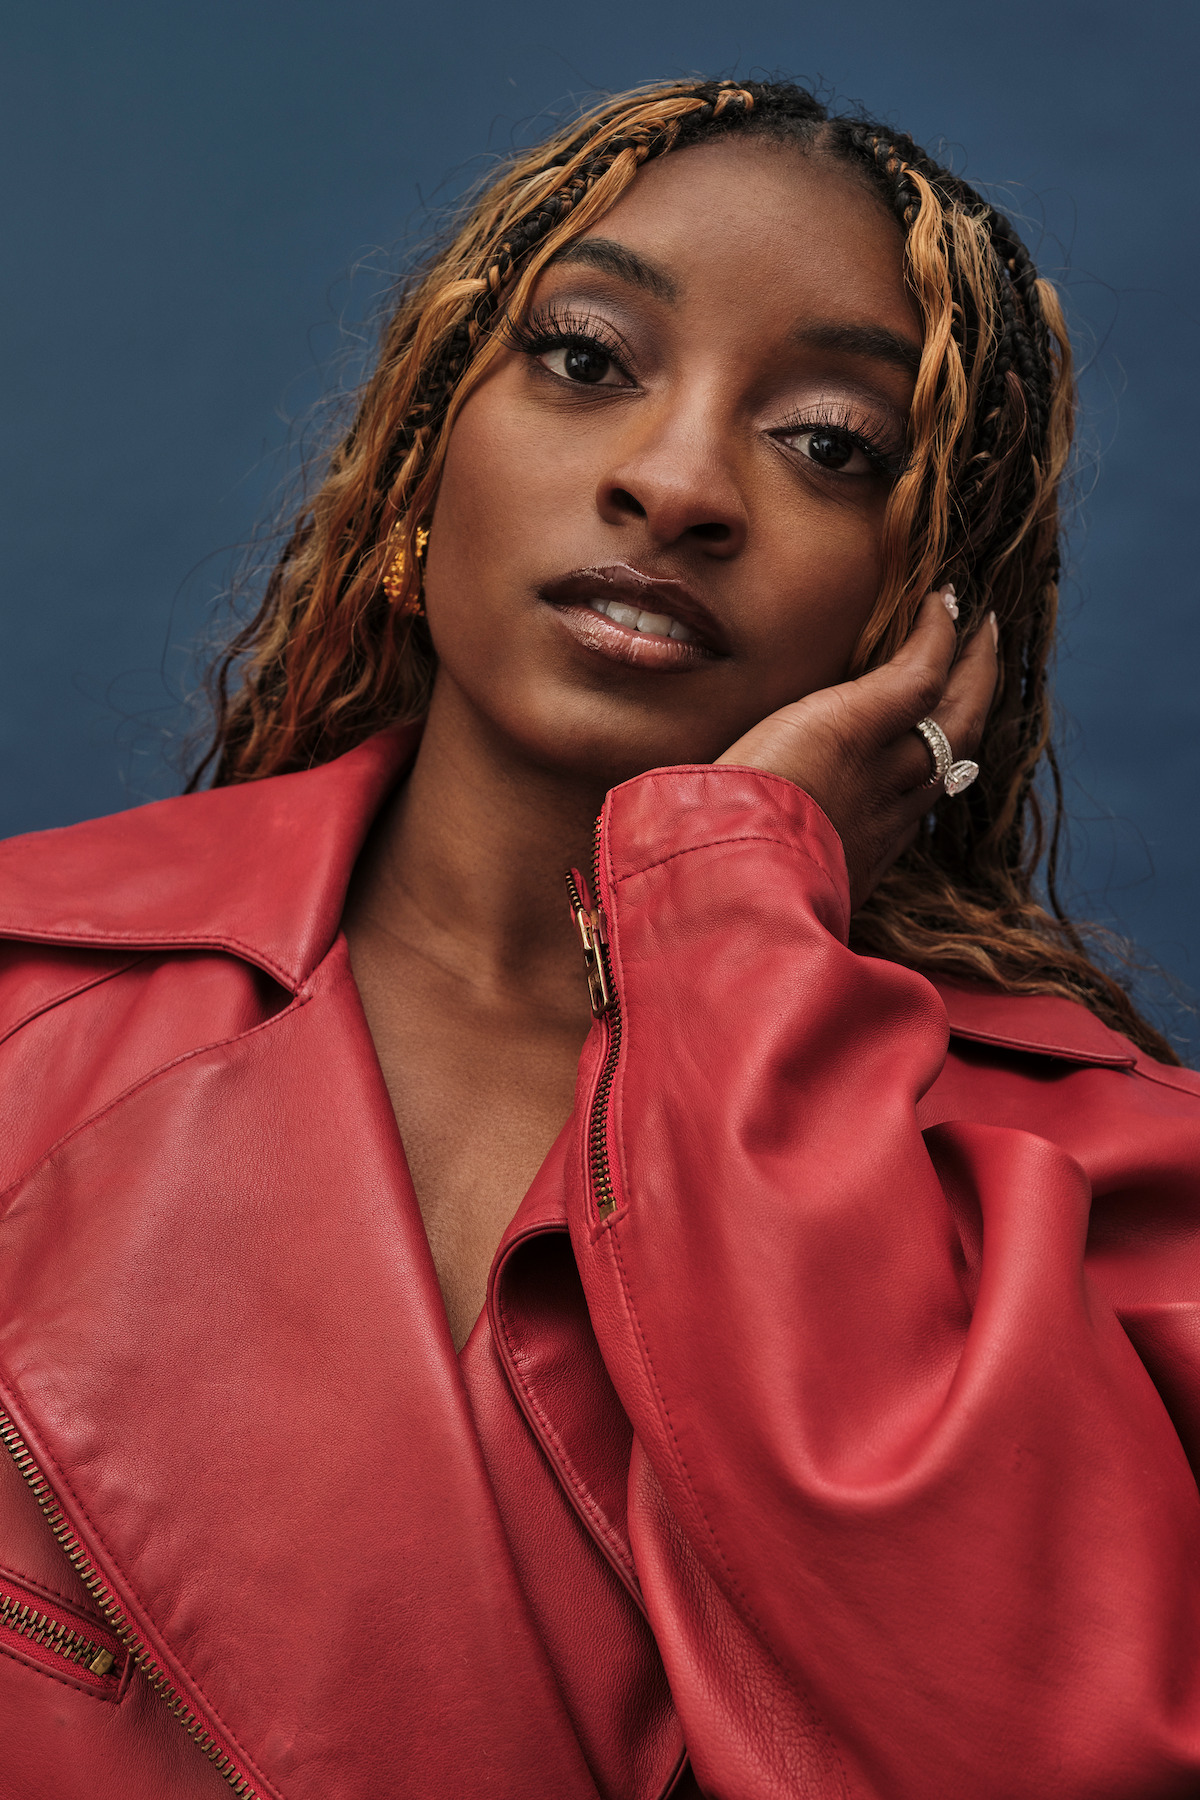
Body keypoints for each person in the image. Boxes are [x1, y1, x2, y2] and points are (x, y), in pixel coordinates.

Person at [0, 75, 1196, 1800]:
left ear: (929, 605)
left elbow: (1047, 1746)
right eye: (585, 358)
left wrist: (734, 917)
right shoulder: (35, 996)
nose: (677, 480)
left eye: (830, 445)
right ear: (425, 452)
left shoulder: (1097, 1183)